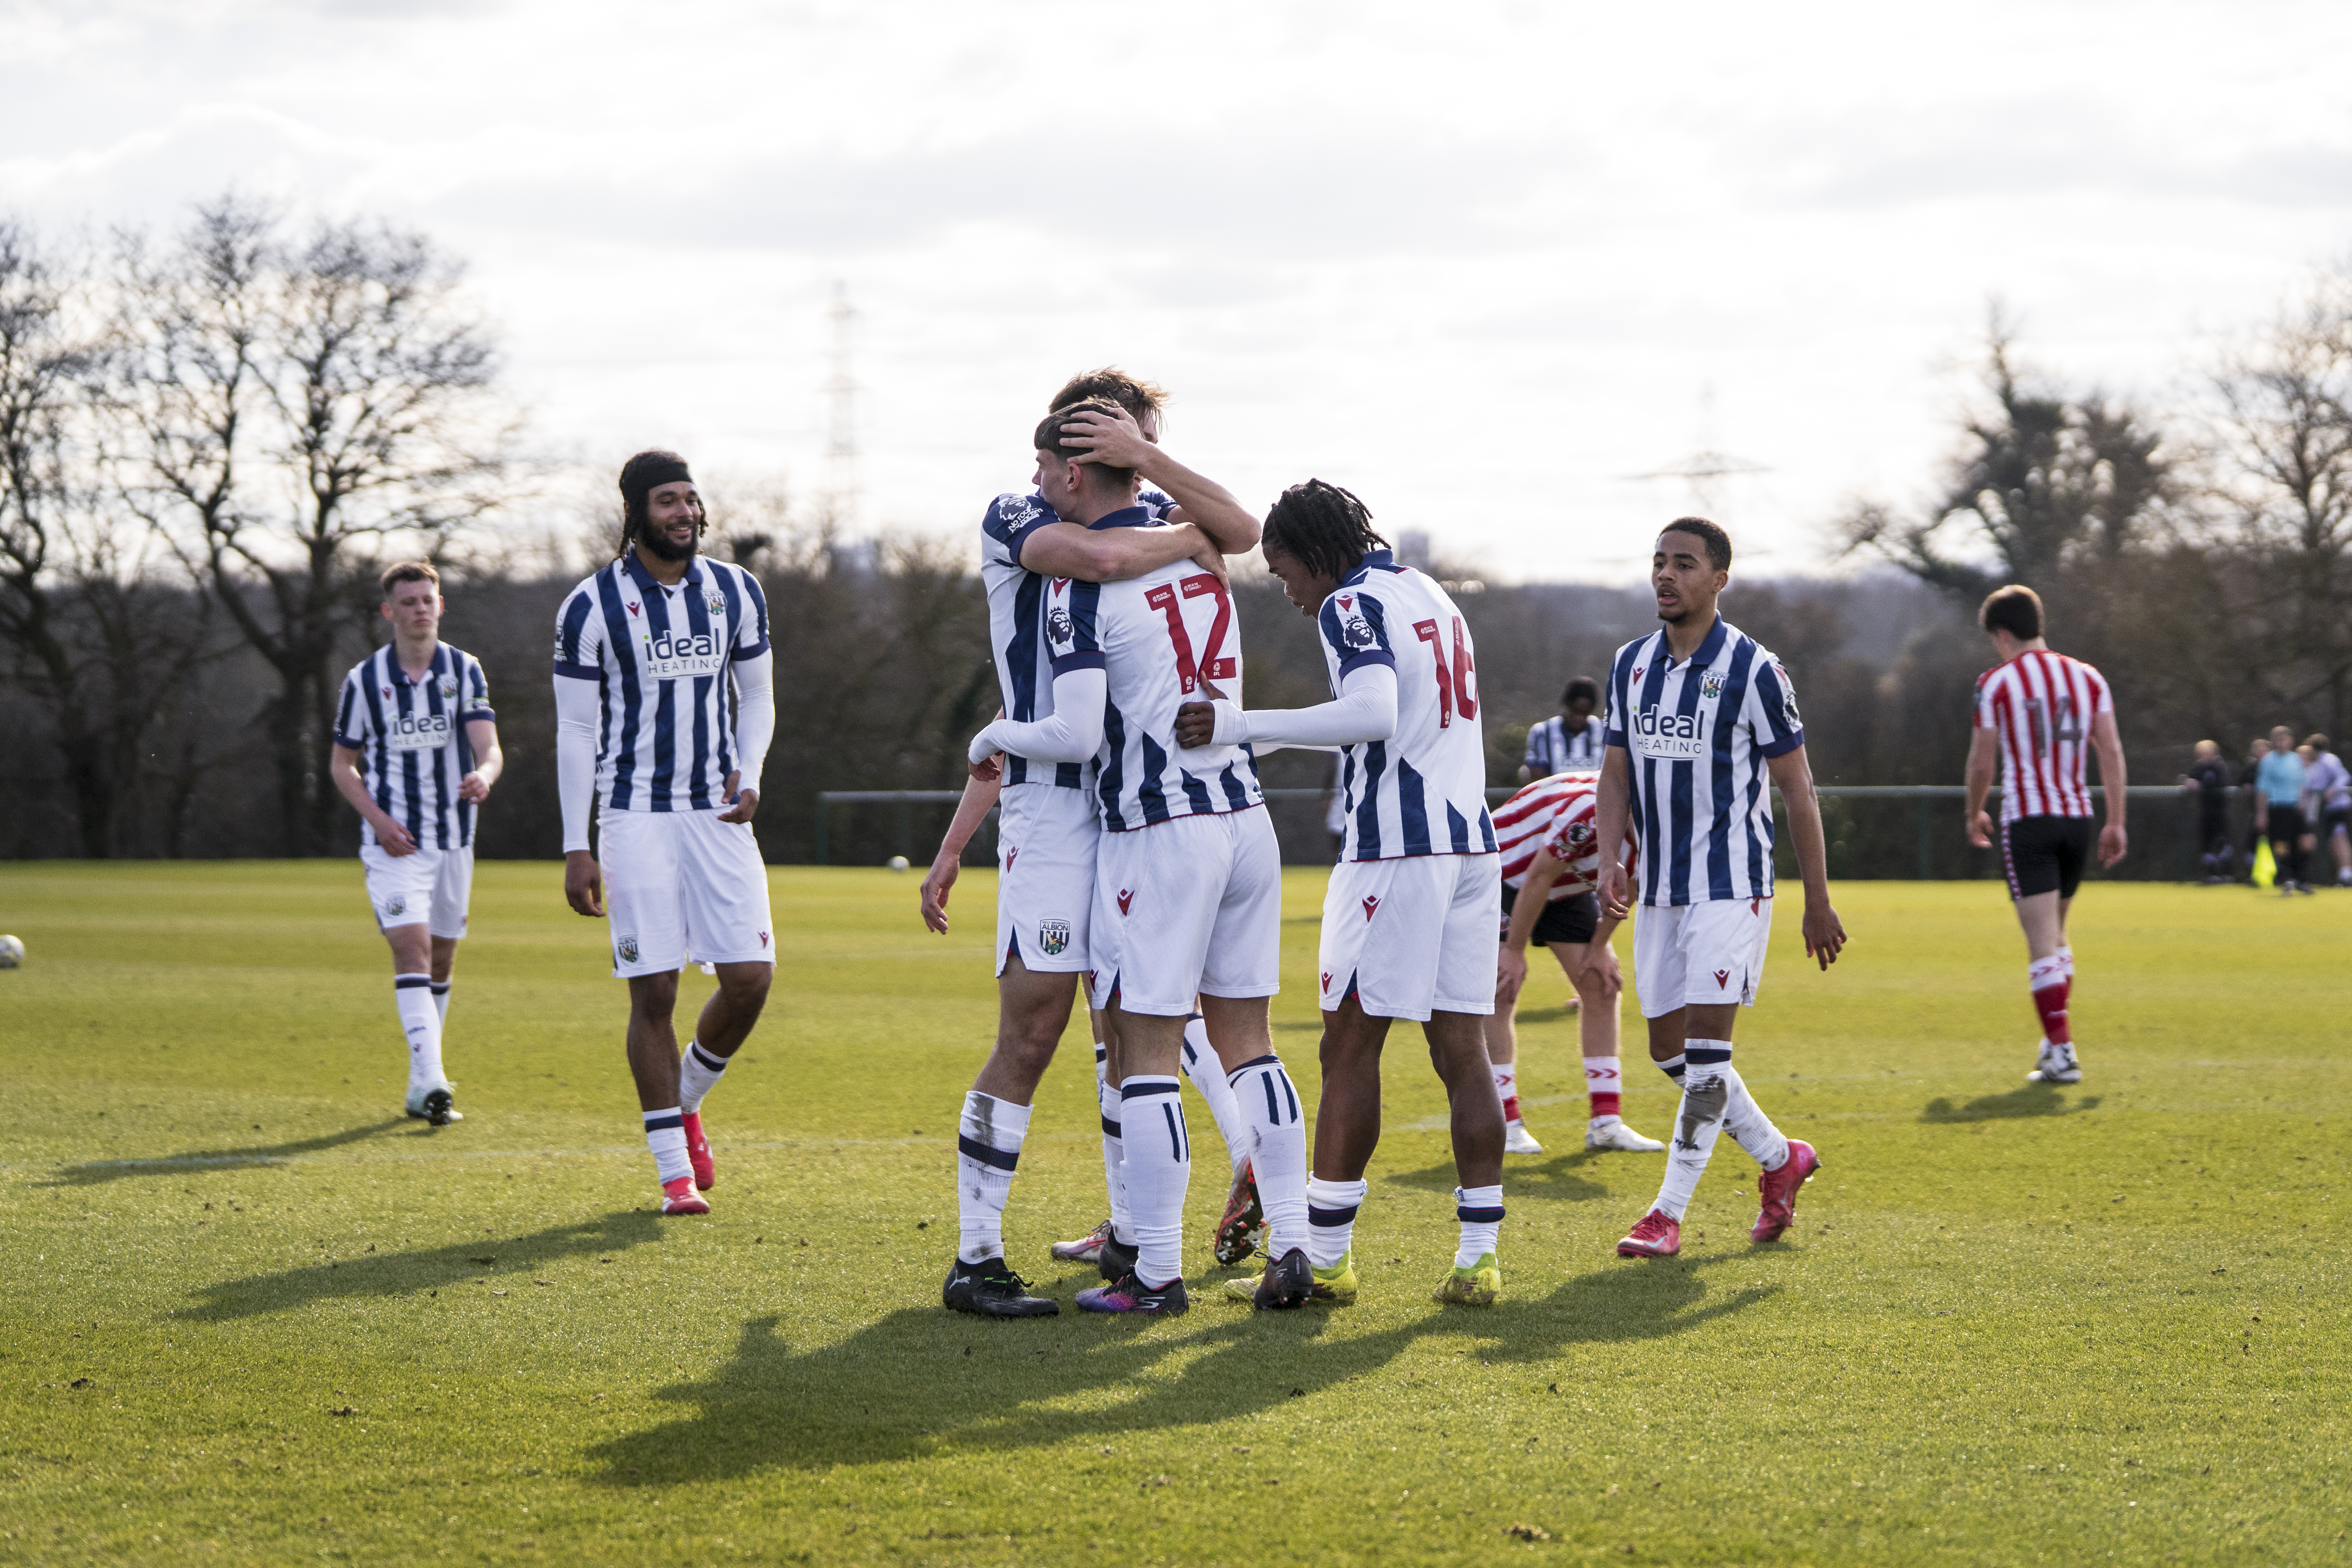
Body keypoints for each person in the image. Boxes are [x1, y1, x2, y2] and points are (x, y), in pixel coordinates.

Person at [922, 376, 1267, 1319]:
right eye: (1119, 436)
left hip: (1134, 804)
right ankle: (975, 1256)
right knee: (1034, 1028)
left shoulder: (1151, 503)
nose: (1139, 452)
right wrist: (1185, 537)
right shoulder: (1014, 514)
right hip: (1048, 800)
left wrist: (1168, 492)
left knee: (1128, 1027)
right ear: (1077, 452)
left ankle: (1132, 1237)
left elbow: (1241, 533)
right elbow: (1087, 557)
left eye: (1146, 437)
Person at [1181, 479, 1509, 1309]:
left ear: (1317, 551)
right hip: (1471, 843)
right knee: (1460, 1050)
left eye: (1286, 570)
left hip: (1396, 849)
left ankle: (1324, 1257)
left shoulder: (1349, 604)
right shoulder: (1427, 588)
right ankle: (1478, 1257)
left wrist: (1235, 722)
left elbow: (1369, 712)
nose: (1288, 593)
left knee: (1347, 1046)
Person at [1598, 518, 1844, 1261]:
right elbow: (1614, 771)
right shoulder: (1630, 665)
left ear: (1718, 580)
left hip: (1732, 885)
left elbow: (1797, 789)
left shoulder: (1755, 669)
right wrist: (1612, 854)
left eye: (1684, 564)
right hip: (1662, 889)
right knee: (1670, 1053)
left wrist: (1818, 897)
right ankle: (1780, 1158)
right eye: (1659, 562)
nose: (1666, 576)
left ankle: (1665, 1214)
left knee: (1706, 1056)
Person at [553, 452, 776, 1217]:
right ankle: (671, 1170)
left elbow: (757, 697)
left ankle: (686, 1099)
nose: (684, 511)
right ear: (636, 512)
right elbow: (575, 729)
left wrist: (749, 772)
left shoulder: (735, 590)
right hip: (633, 814)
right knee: (655, 990)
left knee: (750, 977)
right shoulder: (590, 606)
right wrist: (574, 843)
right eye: (667, 501)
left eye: (690, 498)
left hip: (716, 813)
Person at [329, 561, 502, 1127]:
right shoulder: (364, 680)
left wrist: (486, 774)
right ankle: (433, 1080)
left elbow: (489, 748)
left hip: (454, 841)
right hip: (395, 845)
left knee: (443, 956)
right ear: (389, 611)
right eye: (407, 602)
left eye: (427, 599)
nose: (419, 609)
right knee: (413, 950)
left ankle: (417, 1078)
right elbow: (341, 765)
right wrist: (378, 820)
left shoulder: (464, 670)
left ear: (440, 604)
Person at [1963, 584, 2128, 1084]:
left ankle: (2061, 1050)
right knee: (2056, 937)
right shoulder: (2087, 676)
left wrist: (1973, 812)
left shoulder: (1995, 682)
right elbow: (2111, 752)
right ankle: (2051, 1039)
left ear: (2003, 633)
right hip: (2076, 818)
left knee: (2041, 942)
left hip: (2027, 820)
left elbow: (1982, 758)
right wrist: (2116, 819)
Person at [1488, 770, 1663, 1156]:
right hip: (1501, 873)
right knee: (1499, 990)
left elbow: (1629, 888)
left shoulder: (1668, 820)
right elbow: (1537, 876)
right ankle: (1503, 1122)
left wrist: (1599, 946)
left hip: (1563, 884)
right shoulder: (1590, 812)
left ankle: (1605, 1122)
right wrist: (1513, 951)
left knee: (1601, 985)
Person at [1520, 676, 1606, 782]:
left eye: (1585, 713)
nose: (1579, 718)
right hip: (1555, 797)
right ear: (1566, 705)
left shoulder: (1603, 730)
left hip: (1592, 797)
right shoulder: (1542, 731)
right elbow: (1535, 777)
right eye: (1575, 711)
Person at [2254, 725, 2307, 894]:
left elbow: (2302, 783)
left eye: (2283, 739)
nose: (2280, 743)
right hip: (2278, 807)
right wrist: (2262, 814)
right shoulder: (2268, 761)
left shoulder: (2296, 759)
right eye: (2277, 739)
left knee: (2305, 842)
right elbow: (2262, 790)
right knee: (2281, 845)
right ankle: (2285, 879)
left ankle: (2301, 879)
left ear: (2290, 741)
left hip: (2295, 808)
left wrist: (2302, 800)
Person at [2299, 733, 2350, 887]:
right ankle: (2342, 875)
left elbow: (2344, 777)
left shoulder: (2330, 760)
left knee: (2339, 837)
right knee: (2330, 840)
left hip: (2337, 806)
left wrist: (2333, 790)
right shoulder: (2316, 764)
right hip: (2326, 809)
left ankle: (2347, 874)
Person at [2179, 740, 2234, 883]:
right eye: (2200, 754)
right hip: (2205, 812)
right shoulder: (2198, 768)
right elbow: (2190, 781)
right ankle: (2211, 875)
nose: (2202, 757)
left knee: (2222, 843)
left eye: (2206, 753)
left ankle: (2227, 874)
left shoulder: (2219, 768)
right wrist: (2188, 783)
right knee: (2206, 843)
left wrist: (2201, 785)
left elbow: (2218, 783)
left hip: (2220, 812)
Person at [2239, 737, 2272, 882]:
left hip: (2275, 810)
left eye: (2263, 750)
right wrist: (2245, 786)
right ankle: (2256, 874)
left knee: (2276, 842)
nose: (2259, 753)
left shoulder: (2274, 766)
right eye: (2257, 750)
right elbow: (2242, 781)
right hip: (2256, 812)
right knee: (2251, 843)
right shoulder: (2251, 767)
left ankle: (2278, 873)